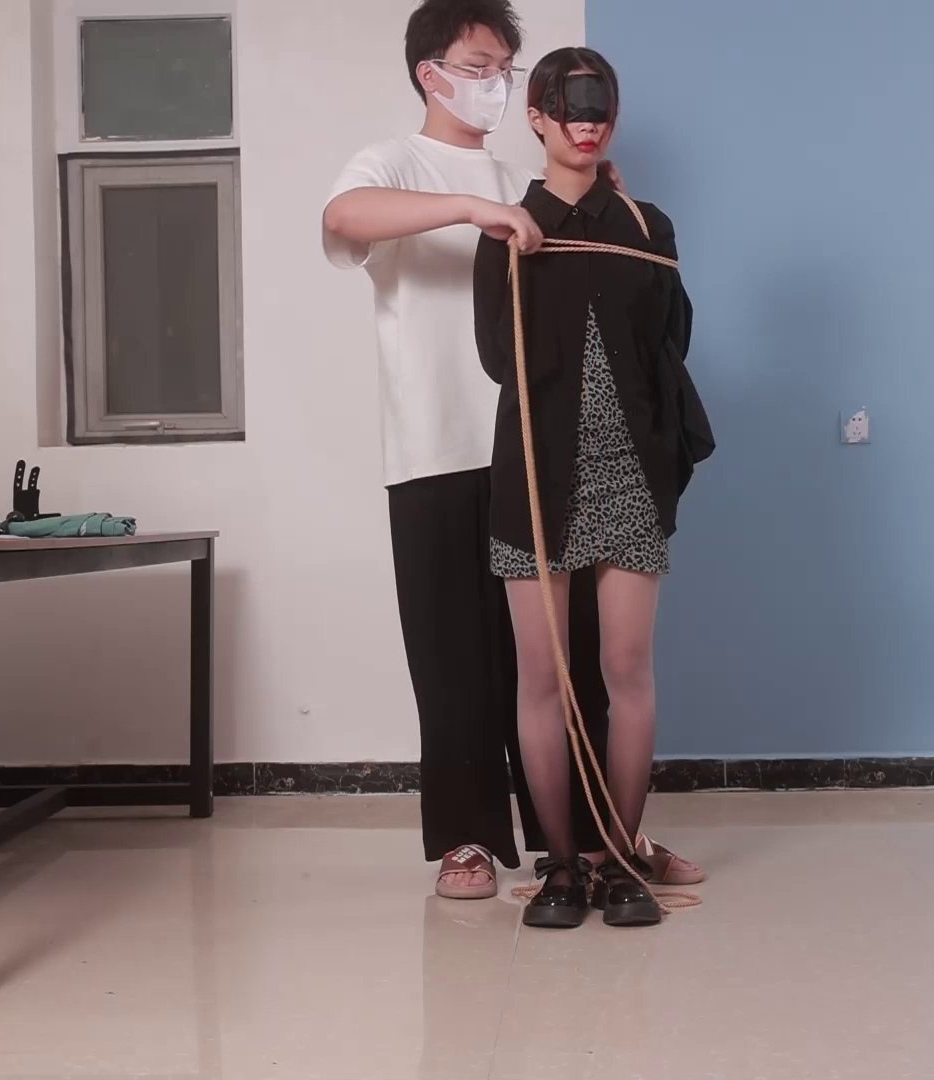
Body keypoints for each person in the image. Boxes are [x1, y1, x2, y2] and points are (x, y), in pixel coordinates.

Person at [321, 0, 700, 899]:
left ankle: (597, 840)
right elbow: (344, 218)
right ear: (432, 72)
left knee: (580, 665)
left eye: (505, 69)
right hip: (435, 444)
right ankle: (467, 840)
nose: (494, 82)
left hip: (542, 444)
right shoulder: (394, 162)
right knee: (454, 655)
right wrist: (472, 210)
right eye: (479, 65)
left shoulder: (523, 172)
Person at [473, 46, 712, 929]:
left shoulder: (649, 226)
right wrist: (527, 249)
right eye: (567, 106)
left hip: (629, 474)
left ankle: (618, 859)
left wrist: (621, 226)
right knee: (542, 677)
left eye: (598, 105)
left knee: (626, 670)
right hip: (535, 477)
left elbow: (671, 343)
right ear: (536, 117)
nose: (585, 120)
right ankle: (562, 868)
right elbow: (496, 358)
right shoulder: (505, 228)